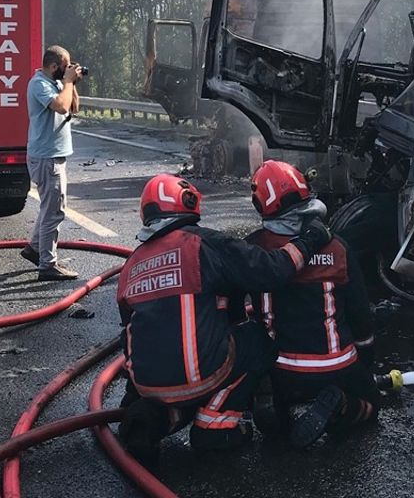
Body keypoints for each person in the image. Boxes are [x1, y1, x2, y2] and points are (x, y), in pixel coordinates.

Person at [116, 173, 332, 463]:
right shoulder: (205, 244)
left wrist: (135, 395)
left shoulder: (131, 266)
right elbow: (271, 270)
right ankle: (215, 423)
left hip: (148, 385)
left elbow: (130, 334)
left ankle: (157, 419)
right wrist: (311, 239)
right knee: (257, 341)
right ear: (189, 203)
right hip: (200, 376)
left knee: (182, 375)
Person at [243, 160, 380, 448]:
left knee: (248, 341)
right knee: (370, 404)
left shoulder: (253, 248)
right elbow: (361, 316)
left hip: (279, 369)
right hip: (336, 366)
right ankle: (341, 406)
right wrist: (364, 365)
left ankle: (269, 404)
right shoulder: (338, 247)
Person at [22, 45, 84, 280]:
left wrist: (72, 83)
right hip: (46, 157)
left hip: (55, 156)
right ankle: (47, 265)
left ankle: (34, 249)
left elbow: (72, 107)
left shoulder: (58, 83)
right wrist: (67, 82)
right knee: (54, 212)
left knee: (49, 208)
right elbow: (59, 106)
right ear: (53, 66)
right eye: (65, 65)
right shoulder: (38, 83)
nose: (68, 69)